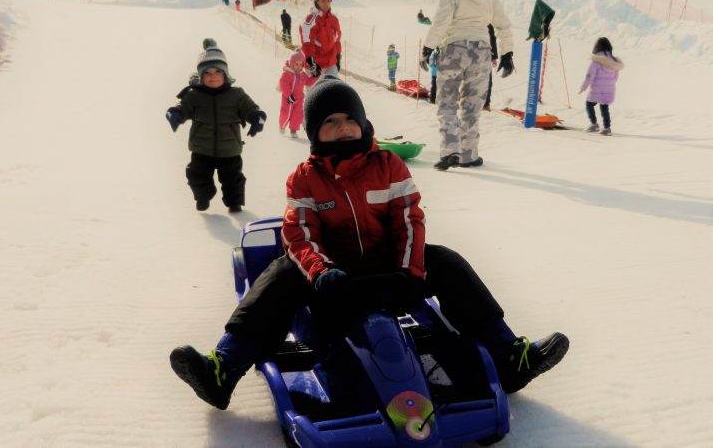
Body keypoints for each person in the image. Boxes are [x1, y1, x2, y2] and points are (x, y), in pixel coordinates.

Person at [169, 79, 570, 411]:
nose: (343, 128)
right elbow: (299, 233)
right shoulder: (305, 178)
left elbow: (410, 219)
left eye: (349, 119)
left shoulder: (388, 165)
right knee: (282, 274)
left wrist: (411, 272)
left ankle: (508, 355)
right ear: (314, 132)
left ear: (363, 123)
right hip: (334, 283)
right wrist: (321, 272)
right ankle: (223, 368)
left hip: (388, 273)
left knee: (447, 262)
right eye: (330, 122)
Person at [419, 0, 514, 171]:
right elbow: (502, 23)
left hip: (454, 48)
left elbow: (441, 20)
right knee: (472, 105)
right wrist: (507, 52)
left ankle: (451, 150)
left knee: (447, 101)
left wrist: (428, 46)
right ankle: (469, 154)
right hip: (481, 51)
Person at [165, 38, 267, 212]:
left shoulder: (236, 94)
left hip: (229, 149)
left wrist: (257, 118)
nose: (213, 77)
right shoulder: (194, 95)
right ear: (201, 76)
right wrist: (175, 113)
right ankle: (203, 196)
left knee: (233, 178)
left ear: (225, 74)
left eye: (217, 72)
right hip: (201, 148)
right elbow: (182, 107)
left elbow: (251, 108)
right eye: (207, 73)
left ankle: (234, 202)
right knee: (196, 174)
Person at [579, 37, 624, 136]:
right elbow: (616, 76)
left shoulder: (596, 60)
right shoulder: (614, 61)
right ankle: (607, 128)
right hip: (610, 88)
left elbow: (589, 76)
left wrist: (583, 87)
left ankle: (594, 124)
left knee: (589, 104)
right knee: (604, 106)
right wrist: (610, 84)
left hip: (597, 89)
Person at [300, 0, 342, 78]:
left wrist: (338, 57)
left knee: (333, 87)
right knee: (316, 88)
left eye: (328, 0)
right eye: (323, 1)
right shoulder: (311, 20)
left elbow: (337, 40)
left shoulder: (334, 19)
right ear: (317, 1)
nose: (326, 3)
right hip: (316, 66)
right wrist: (311, 62)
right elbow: (307, 43)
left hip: (331, 64)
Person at [278, 51, 317, 137]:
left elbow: (308, 82)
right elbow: (283, 84)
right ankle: (282, 126)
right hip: (288, 99)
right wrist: (289, 95)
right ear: (292, 63)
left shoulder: (302, 75)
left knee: (297, 115)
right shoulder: (287, 74)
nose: (299, 66)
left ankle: (293, 130)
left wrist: (316, 76)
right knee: (286, 113)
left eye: (301, 65)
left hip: (299, 99)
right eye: (296, 64)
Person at [483, 25, 499, 111]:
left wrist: (494, 57)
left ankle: (486, 104)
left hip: (485, 56)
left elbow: (492, 38)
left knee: (487, 81)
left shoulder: (489, 24)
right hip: (471, 55)